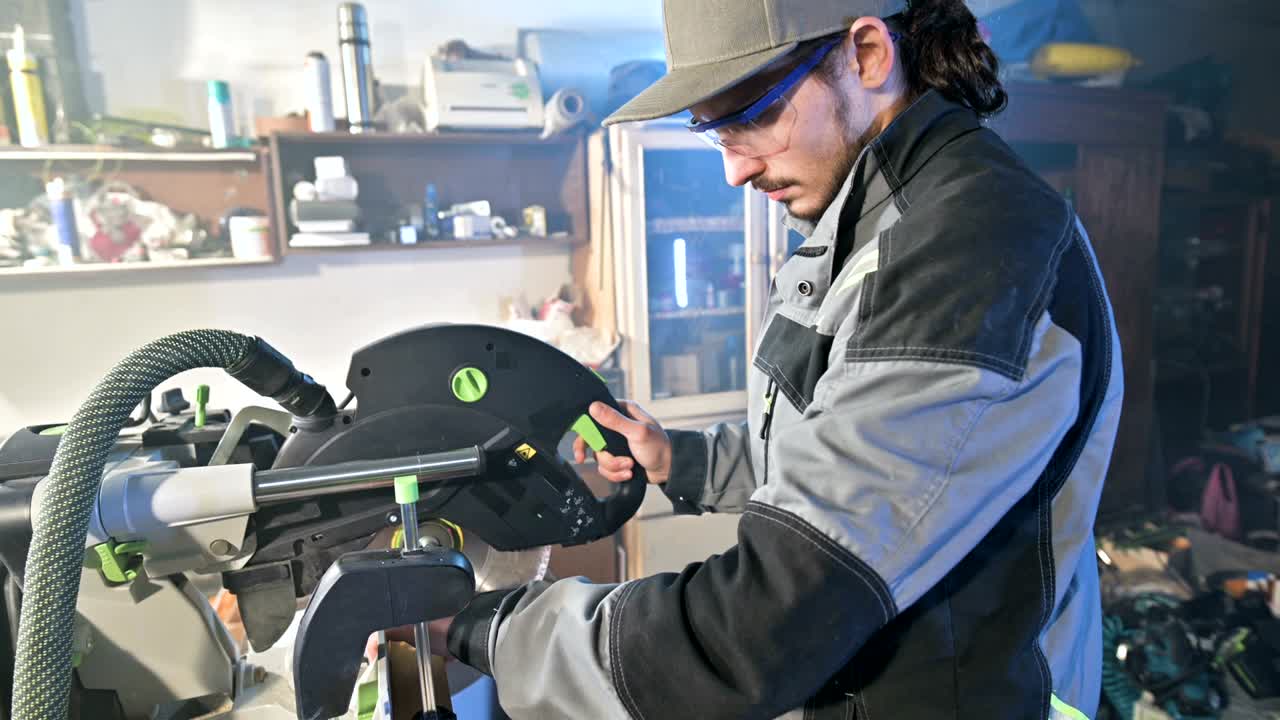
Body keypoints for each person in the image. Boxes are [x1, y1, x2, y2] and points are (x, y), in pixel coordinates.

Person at [436, 1, 1124, 717]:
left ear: (865, 54)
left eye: (752, 115)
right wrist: (686, 461)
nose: (735, 169)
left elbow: (761, 625)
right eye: (712, 130)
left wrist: (484, 628)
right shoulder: (877, 220)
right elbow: (840, 446)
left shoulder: (969, 243)